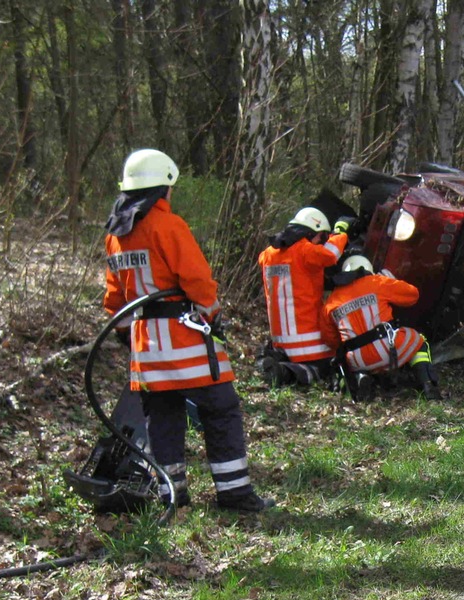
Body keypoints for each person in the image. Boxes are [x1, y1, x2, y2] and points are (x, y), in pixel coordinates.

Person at [104, 148, 274, 512]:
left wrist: (127, 335)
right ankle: (235, 494)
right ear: (164, 187)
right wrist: (212, 316)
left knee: (162, 417)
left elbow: (114, 298)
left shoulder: (116, 235)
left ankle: (172, 496)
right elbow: (197, 282)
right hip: (185, 341)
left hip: (146, 349)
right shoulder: (168, 225)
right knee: (220, 409)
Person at [318, 254, 442, 400]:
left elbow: (330, 340)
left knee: (361, 359)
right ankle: (428, 384)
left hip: (357, 360)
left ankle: (362, 377)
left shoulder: (331, 301)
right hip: (388, 350)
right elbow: (412, 295)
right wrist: (392, 281)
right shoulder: (377, 282)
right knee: (419, 341)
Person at [257, 207, 351, 388]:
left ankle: (281, 366)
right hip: (311, 346)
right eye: (321, 237)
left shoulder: (268, 254)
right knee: (328, 370)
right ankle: (287, 373)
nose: (322, 242)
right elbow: (331, 255)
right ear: (309, 233)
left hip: (280, 343)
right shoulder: (305, 251)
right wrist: (340, 233)